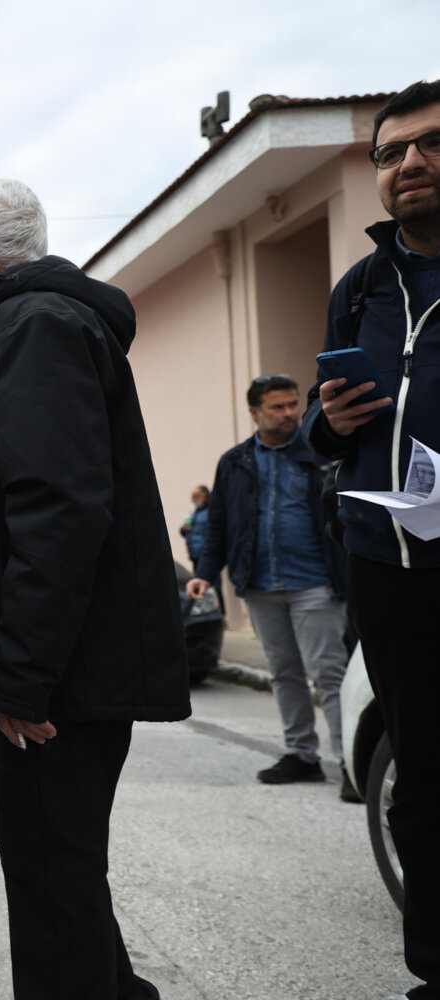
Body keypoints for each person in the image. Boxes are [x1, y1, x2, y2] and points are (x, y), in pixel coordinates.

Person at [0, 179, 189, 1000]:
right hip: (58, 671)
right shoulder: (20, 326)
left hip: (59, 681)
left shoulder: (34, 326)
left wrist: (23, 676)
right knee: (56, 873)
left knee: (53, 876)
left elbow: (58, 510)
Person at [307, 79, 440, 1000]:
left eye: (430, 144)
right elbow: (325, 431)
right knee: (421, 782)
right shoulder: (358, 290)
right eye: (390, 153)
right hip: (386, 567)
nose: (410, 164)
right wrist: (328, 420)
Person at [187, 375, 353, 798]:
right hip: (259, 585)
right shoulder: (235, 461)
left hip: (315, 583)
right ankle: (302, 755)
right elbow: (219, 523)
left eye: (293, 404)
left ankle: (351, 763)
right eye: (277, 407)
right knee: (284, 672)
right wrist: (204, 572)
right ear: (254, 412)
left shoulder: (320, 453)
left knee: (329, 673)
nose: (289, 413)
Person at [181, 484, 211, 563]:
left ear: (205, 497)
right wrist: (183, 529)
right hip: (195, 554)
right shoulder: (196, 513)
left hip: (206, 555)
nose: (193, 500)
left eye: (195, 496)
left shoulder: (210, 512)